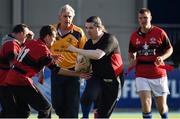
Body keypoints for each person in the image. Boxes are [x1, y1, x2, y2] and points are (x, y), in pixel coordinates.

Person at [3, 25, 90, 118]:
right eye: (54, 37)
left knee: (23, 112)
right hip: (20, 80)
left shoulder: (33, 42)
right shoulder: (42, 49)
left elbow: (34, 57)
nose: (55, 40)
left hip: (11, 79)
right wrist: (78, 74)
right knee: (45, 108)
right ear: (48, 36)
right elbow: (56, 70)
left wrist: (51, 56)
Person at [67, 16, 124, 118]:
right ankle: (85, 117)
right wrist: (82, 72)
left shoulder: (109, 39)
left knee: (102, 115)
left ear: (99, 28)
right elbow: (84, 63)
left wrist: (76, 50)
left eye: (91, 28)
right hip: (97, 77)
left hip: (113, 80)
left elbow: (98, 55)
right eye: (86, 28)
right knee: (86, 98)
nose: (88, 31)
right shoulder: (88, 43)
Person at [128, 8, 173, 119]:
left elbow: (170, 49)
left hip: (158, 74)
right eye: (140, 18)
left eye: (145, 18)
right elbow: (131, 53)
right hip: (141, 74)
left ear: (150, 18)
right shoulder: (134, 36)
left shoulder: (160, 32)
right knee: (146, 104)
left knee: (161, 108)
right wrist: (132, 59)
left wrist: (162, 57)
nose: (143, 20)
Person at [50, 4, 87, 118]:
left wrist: (82, 71)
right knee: (57, 105)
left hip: (73, 73)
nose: (68, 19)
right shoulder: (51, 30)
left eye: (70, 16)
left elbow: (84, 53)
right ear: (59, 17)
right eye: (65, 16)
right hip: (57, 71)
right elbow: (43, 49)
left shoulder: (78, 32)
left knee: (72, 107)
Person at [0, 24, 34, 117]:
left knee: (20, 111)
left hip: (9, 83)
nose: (27, 38)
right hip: (6, 84)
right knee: (13, 113)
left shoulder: (13, 43)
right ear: (20, 34)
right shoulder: (11, 44)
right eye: (26, 35)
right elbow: (14, 65)